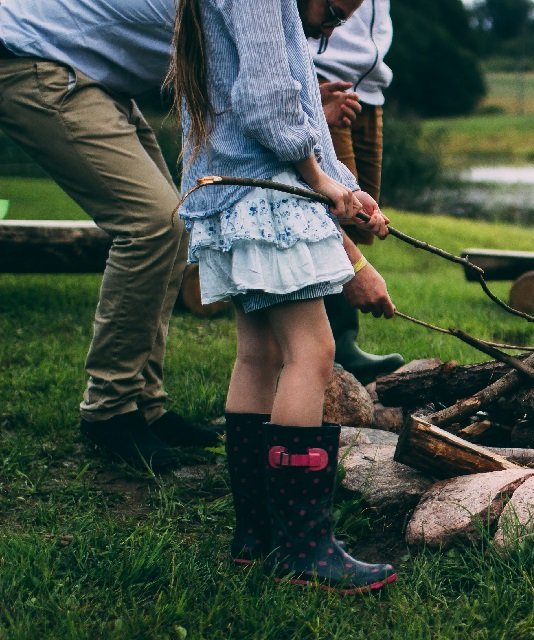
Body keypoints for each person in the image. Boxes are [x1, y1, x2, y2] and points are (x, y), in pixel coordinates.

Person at [169, 0, 398, 593]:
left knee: (259, 357)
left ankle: (258, 536)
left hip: (230, 189)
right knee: (312, 355)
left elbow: (284, 107)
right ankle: (304, 547)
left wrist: (348, 191)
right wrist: (322, 183)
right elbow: (268, 100)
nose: (337, 21)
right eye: (335, 7)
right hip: (263, 194)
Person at [0, 0, 221, 472]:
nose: (326, 30)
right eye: (330, 14)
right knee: (152, 224)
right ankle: (109, 410)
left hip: (92, 73)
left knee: (173, 225)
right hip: (36, 57)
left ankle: (145, 403)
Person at [311, 0, 406, 383]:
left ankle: (334, 340)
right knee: (331, 209)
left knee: (360, 218)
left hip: (370, 86)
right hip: (323, 77)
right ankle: (334, 342)